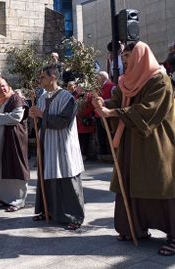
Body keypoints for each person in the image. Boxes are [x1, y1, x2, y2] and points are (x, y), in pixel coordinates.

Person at [92, 41, 175, 256]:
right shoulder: (127, 81)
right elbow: (117, 100)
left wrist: (115, 113)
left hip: (156, 142)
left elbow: (149, 110)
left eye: (129, 58)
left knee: (161, 184)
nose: (126, 62)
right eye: (124, 58)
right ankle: (134, 228)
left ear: (141, 58)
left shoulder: (160, 80)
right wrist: (104, 104)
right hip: (131, 141)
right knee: (129, 182)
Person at [29, 64, 85, 230]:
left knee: (66, 179)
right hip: (46, 143)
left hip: (63, 146)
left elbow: (63, 122)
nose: (40, 80)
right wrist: (34, 117)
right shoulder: (42, 97)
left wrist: (41, 114)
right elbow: (39, 121)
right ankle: (49, 210)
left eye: (43, 77)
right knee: (47, 177)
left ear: (53, 77)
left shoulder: (68, 98)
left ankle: (74, 217)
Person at [0, 77, 30, 211]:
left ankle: (18, 200)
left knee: (15, 167)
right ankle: (3, 197)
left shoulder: (16, 99)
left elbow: (17, 117)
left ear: (8, 85)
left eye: (3, 86)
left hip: (13, 139)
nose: (1, 89)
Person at [67, 81, 95, 161]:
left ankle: (84, 154)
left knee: (85, 139)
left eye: (79, 88)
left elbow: (90, 107)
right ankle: (78, 154)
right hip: (78, 122)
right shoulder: (76, 97)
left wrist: (82, 113)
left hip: (85, 120)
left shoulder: (88, 96)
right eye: (78, 88)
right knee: (78, 139)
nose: (77, 89)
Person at [95, 71, 116, 161]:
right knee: (101, 135)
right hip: (98, 114)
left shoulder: (112, 86)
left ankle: (113, 154)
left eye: (98, 77)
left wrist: (104, 102)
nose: (96, 79)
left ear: (103, 77)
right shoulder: (98, 87)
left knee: (110, 134)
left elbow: (114, 99)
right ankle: (103, 154)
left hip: (108, 113)